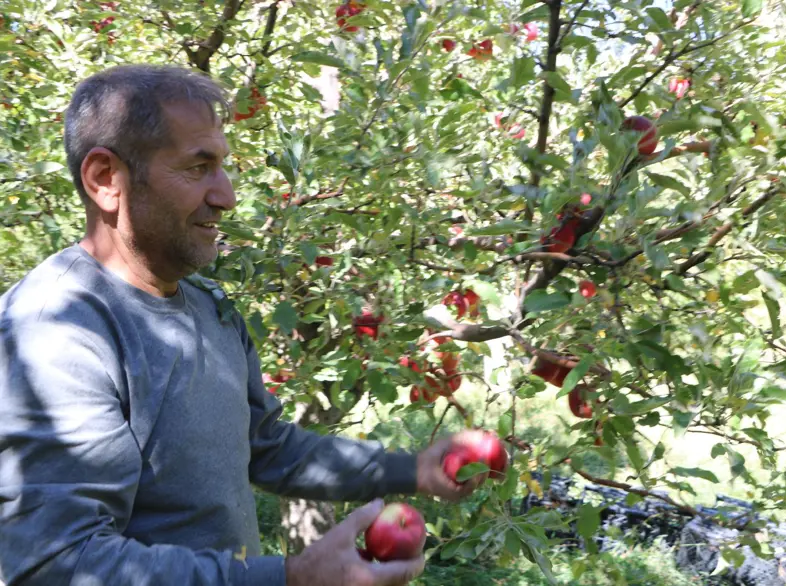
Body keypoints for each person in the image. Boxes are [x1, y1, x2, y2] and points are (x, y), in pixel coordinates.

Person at [0, 65, 485, 586]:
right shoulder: (58, 332)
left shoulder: (209, 306)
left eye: (223, 166)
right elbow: (58, 563)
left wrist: (412, 470)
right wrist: (292, 578)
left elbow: (265, 445)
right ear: (106, 179)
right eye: (198, 167)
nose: (226, 195)